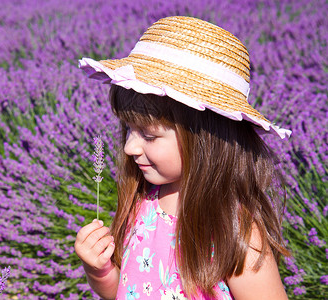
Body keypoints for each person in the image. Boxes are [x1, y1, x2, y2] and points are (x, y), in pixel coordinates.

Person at [75, 16, 291, 299]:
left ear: (204, 141)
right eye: (128, 129)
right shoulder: (143, 202)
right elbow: (127, 288)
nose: (129, 148)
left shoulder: (233, 231)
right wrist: (99, 271)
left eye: (149, 136)